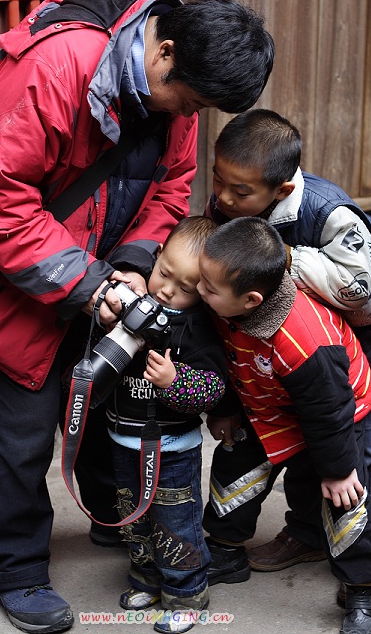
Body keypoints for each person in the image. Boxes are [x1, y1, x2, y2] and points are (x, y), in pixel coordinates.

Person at [0, 0, 275, 634]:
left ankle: (107, 514)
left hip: (98, 277)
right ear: (167, 52)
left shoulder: (174, 91)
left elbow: (172, 184)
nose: (193, 115)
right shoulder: (60, 66)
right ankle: (16, 572)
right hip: (10, 287)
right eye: (195, 101)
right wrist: (93, 286)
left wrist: (129, 266)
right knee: (23, 434)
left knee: (100, 402)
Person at [205, 109, 371, 570]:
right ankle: (308, 533)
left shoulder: (327, 210)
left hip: (359, 319)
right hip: (290, 327)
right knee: (300, 427)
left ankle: (370, 550)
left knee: (362, 428)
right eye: (218, 182)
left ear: (283, 191)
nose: (225, 199)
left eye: (241, 192)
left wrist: (280, 258)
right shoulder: (227, 205)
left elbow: (355, 285)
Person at [197, 216, 371, 634]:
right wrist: (224, 409)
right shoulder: (224, 304)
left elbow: (328, 410)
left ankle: (362, 590)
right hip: (267, 401)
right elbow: (224, 361)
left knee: (344, 502)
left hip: (336, 411)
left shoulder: (304, 342)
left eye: (208, 288)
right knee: (234, 466)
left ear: (250, 300)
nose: (199, 291)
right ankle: (226, 552)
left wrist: (337, 471)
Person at [101, 216, 226, 634]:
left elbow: (213, 389)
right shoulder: (133, 307)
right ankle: (147, 579)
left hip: (171, 448)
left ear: (205, 293)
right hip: (122, 438)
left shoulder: (197, 329)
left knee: (176, 523)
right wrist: (107, 320)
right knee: (133, 517)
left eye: (186, 288)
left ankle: (187, 593)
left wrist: (176, 382)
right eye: (164, 273)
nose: (167, 289)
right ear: (156, 258)